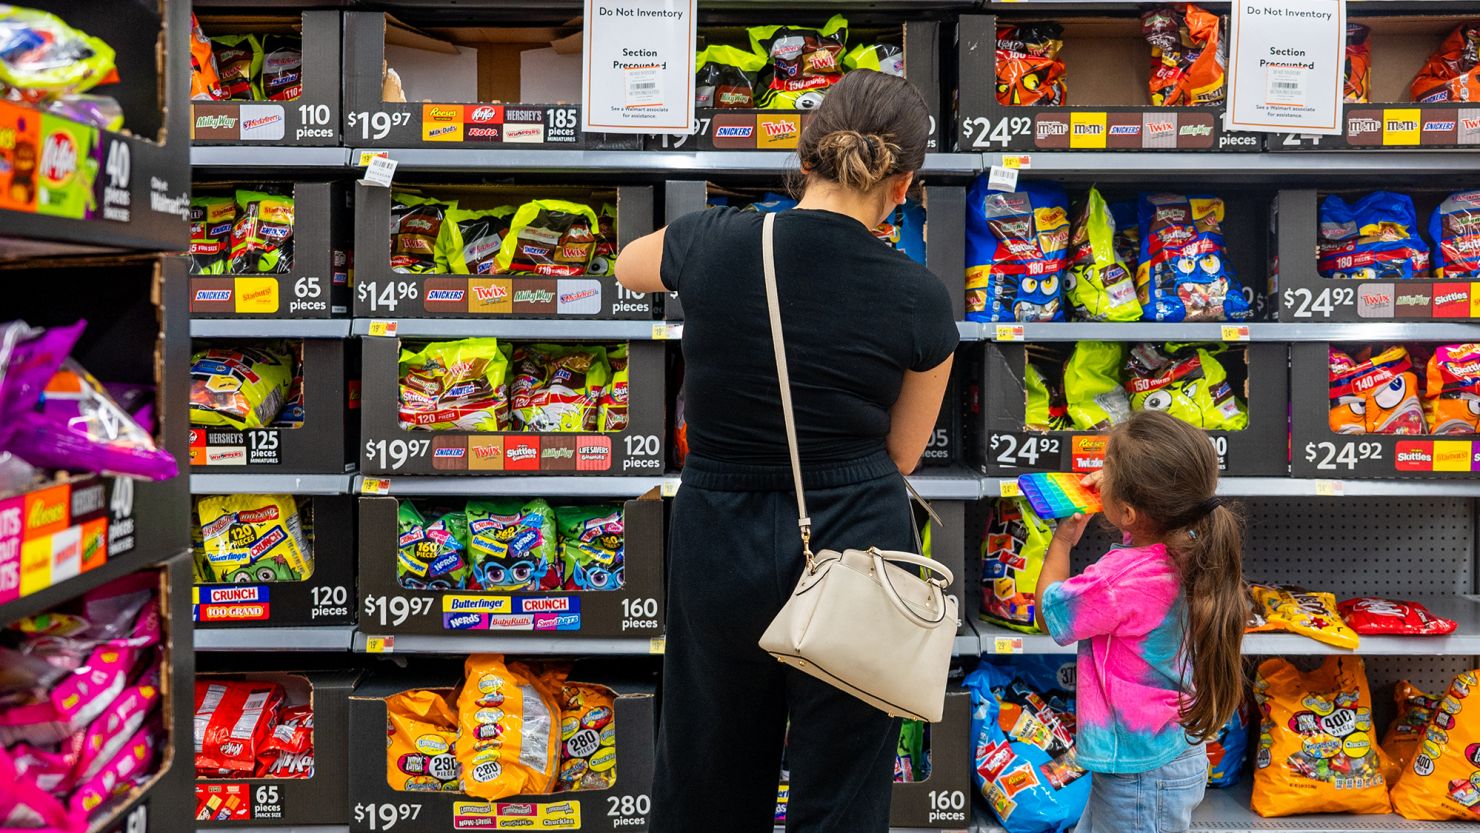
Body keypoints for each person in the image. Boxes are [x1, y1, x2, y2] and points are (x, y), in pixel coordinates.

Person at [614, 69, 959, 833]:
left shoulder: (710, 241)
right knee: (840, 786)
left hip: (719, 536)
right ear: (903, 186)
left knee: (708, 770)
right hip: (857, 546)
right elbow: (903, 453)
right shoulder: (920, 296)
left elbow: (628, 263)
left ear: (805, 159)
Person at [1035, 410, 1245, 833]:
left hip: (1138, 772)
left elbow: (1049, 613)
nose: (1097, 474)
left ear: (1129, 513)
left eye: (1106, 469)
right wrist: (1119, 496)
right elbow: (1143, 530)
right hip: (1169, 753)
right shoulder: (1194, 550)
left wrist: (1062, 539)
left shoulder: (1117, 581)